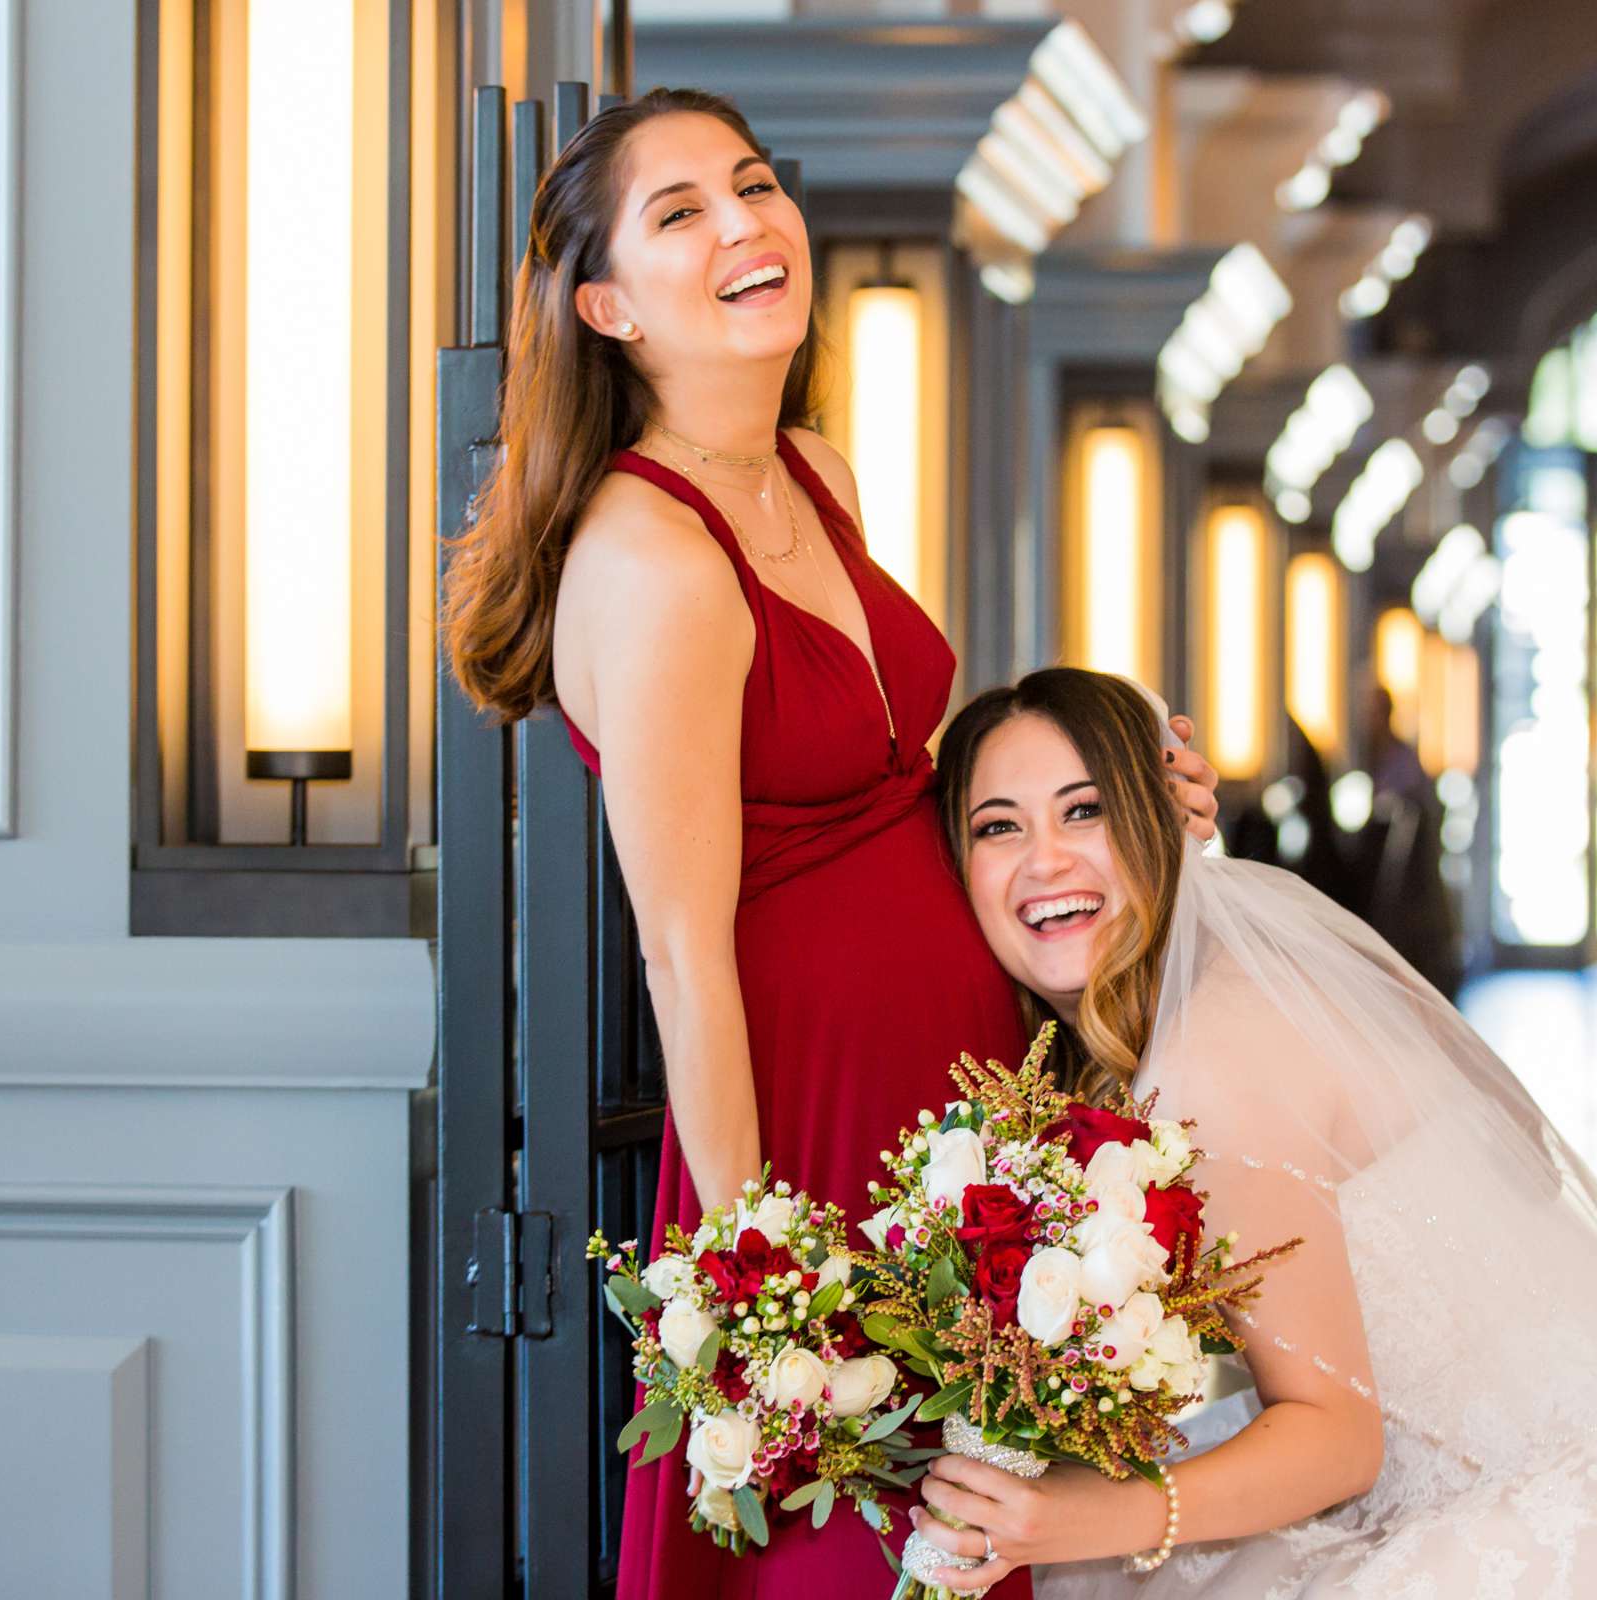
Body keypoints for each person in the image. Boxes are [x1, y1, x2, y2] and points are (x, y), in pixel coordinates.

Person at [438, 92, 1219, 1598]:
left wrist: (1114, 800)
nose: (745, 225)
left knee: (985, 1525)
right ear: (606, 306)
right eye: (682, 215)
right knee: (852, 1558)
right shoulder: (652, 559)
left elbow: (906, 780)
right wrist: (761, 1298)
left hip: (954, 1103)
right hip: (809, 1118)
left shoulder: (821, 473)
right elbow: (683, 948)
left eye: (752, 188)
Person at [916, 668, 1597, 1599]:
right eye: (1000, 826)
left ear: (1160, 826)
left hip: (1546, 1506)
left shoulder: (1215, 1052)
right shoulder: (1162, 1017)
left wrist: (1075, 1519)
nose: (1045, 861)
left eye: (1085, 812)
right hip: (1449, 1460)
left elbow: (1336, 1440)